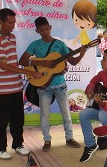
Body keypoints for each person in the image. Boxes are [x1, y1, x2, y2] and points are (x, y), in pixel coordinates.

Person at [19, 17, 85, 152]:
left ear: (50, 27)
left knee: (66, 113)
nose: (45, 32)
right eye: (41, 30)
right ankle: (47, 140)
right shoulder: (35, 45)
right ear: (37, 31)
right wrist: (41, 63)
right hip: (43, 87)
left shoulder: (60, 45)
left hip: (60, 85)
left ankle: (69, 137)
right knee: (44, 115)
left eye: (46, 29)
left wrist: (82, 52)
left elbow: (72, 62)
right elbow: (23, 60)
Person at [0, 8, 42, 160]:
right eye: (10, 22)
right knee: (1, 121)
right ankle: (0, 149)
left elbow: (12, 61)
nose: (13, 25)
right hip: (1, 88)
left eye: (14, 22)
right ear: (1, 22)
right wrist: (28, 72)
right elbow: (4, 65)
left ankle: (18, 144)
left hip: (16, 87)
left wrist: (30, 68)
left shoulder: (12, 37)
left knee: (18, 119)